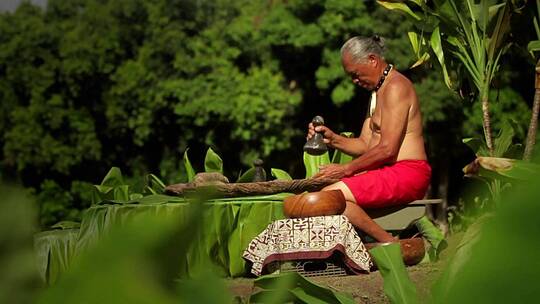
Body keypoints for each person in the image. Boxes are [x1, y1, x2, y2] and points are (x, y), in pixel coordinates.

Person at [307, 36, 431, 243]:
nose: (354, 81)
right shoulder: (377, 92)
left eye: (355, 75)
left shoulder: (395, 87)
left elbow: (387, 149)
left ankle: (390, 244)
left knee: (329, 196)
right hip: (387, 172)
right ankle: (377, 243)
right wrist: (332, 139)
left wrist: (346, 169)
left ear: (373, 60)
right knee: (323, 194)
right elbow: (365, 144)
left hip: (408, 172)